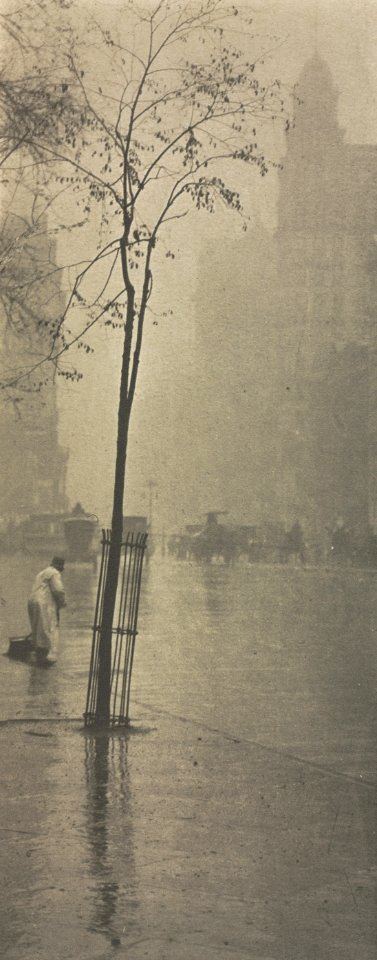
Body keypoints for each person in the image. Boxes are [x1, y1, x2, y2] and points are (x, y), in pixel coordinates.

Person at [27, 557, 66, 665]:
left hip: (32, 601)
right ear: (59, 566)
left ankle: (37, 651)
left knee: (37, 627)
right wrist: (62, 604)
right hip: (43, 602)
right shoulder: (54, 573)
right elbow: (58, 590)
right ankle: (42, 657)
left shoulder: (42, 572)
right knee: (45, 627)